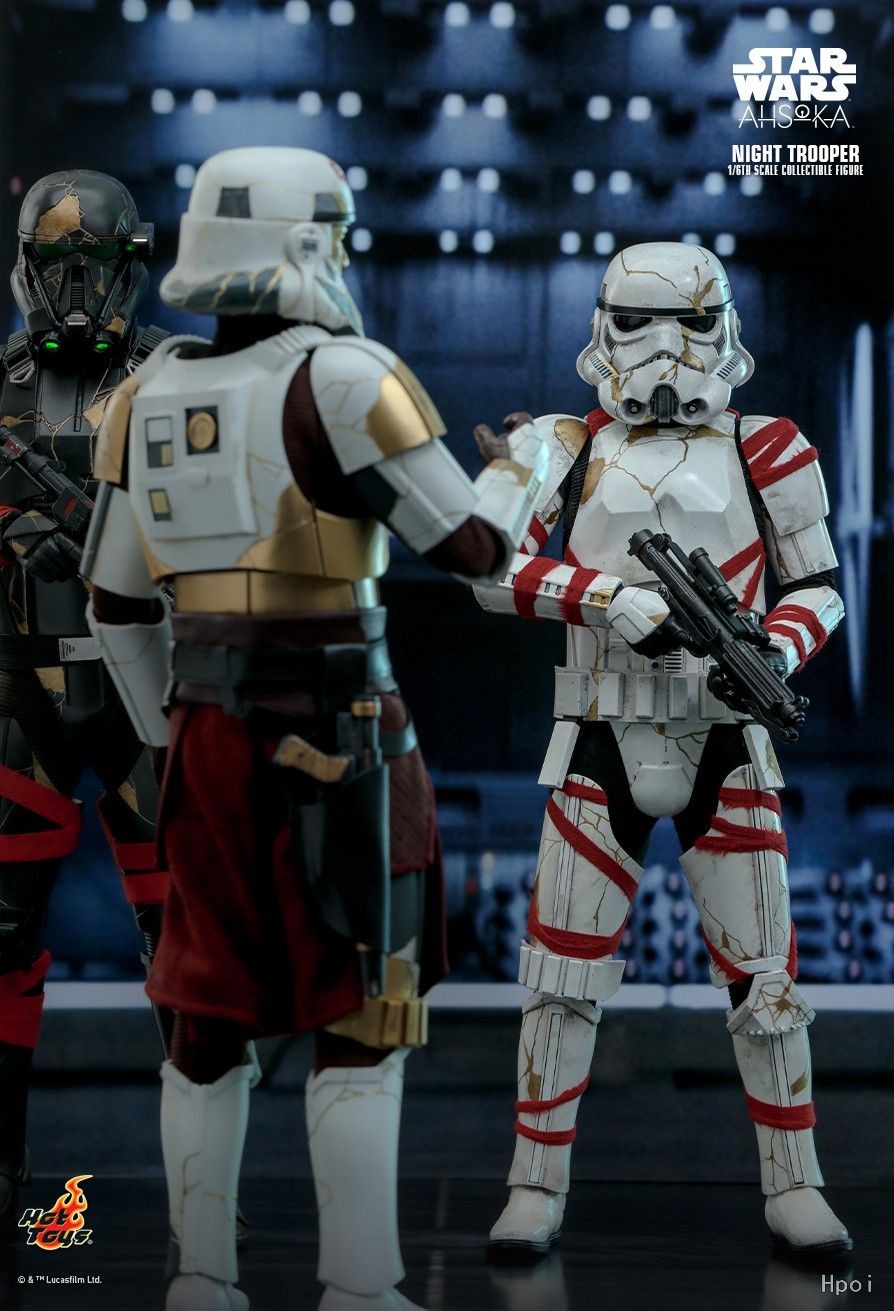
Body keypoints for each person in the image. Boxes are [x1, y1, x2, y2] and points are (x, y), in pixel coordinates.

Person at [81, 146, 548, 1311]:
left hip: (203, 733)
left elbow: (114, 606)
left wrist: (169, 743)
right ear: (306, 245)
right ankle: (357, 1285)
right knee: (364, 1009)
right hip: (343, 730)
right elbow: (478, 554)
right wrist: (529, 470)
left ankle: (201, 1276)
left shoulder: (144, 392)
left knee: (203, 1014)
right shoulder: (345, 378)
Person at [474, 242, 851, 1262]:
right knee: (561, 976)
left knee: (766, 980)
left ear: (724, 328)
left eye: (690, 324)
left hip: (727, 734)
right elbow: (485, 565)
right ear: (605, 326)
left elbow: (819, 587)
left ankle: (796, 1182)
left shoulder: (770, 446)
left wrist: (776, 648)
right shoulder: (560, 443)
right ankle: (535, 1183)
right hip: (598, 730)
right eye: (640, 323)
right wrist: (607, 598)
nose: (666, 349)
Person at [0, 171, 169, 1226]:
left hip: (149, 688)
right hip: (23, 686)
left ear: (128, 266)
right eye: (57, 264)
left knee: (187, 939)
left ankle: (207, 1183)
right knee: (1, 933)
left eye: (93, 263)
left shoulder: (179, 380)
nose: (74, 287)